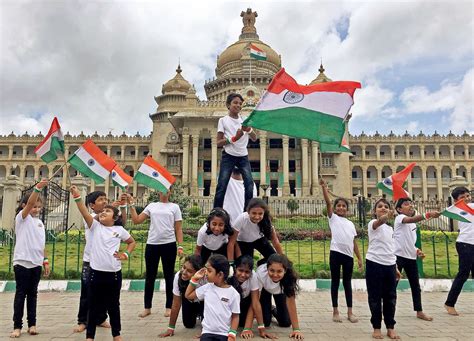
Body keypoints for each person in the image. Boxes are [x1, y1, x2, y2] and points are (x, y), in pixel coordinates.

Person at [70, 185, 136, 341]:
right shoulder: (95, 226)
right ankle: (89, 334)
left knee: (114, 305)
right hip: (95, 271)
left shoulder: (119, 230)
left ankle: (116, 334)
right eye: (102, 208)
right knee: (91, 301)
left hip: (114, 274)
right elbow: (83, 211)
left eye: (107, 211)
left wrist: (125, 254)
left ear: (114, 218)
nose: (103, 211)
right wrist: (78, 196)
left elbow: (131, 242)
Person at [128, 190, 183, 318]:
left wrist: (180, 245)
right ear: (158, 191)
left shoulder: (174, 207)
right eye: (162, 189)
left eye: (167, 189)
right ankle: (147, 307)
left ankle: (169, 307)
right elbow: (136, 220)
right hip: (152, 244)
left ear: (170, 192)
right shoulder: (151, 206)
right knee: (150, 277)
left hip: (169, 244)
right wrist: (131, 205)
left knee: (169, 276)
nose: (164, 191)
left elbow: (178, 228)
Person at [10, 179, 50, 338]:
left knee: (33, 295)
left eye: (39, 207)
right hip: (22, 262)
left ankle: (32, 324)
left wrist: (45, 261)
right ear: (24, 206)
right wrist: (38, 188)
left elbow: (42, 244)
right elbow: (29, 203)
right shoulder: (22, 218)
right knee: (21, 294)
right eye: (34, 206)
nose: (37, 209)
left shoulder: (40, 223)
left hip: (36, 263)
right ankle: (17, 326)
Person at [320, 179, 363, 323]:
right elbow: (327, 202)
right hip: (335, 254)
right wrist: (324, 188)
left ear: (347, 209)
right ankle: (335, 311)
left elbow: (353, 242)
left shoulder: (350, 224)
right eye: (338, 205)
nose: (341, 208)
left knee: (347, 283)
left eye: (344, 206)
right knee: (335, 282)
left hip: (348, 256)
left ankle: (350, 312)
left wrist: (359, 257)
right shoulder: (333, 219)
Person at [394, 197, 440, 321]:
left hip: (410, 258)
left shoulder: (413, 225)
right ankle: (387, 310)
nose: (410, 205)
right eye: (406, 204)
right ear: (399, 209)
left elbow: (408, 240)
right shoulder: (400, 219)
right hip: (398, 257)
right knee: (393, 284)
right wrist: (428, 214)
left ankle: (419, 311)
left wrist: (416, 250)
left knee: (415, 285)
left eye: (410, 203)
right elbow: (411, 219)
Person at [213, 93, 257, 211]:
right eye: (235, 103)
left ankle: (246, 212)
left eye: (240, 104)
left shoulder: (244, 120)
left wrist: (249, 129)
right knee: (222, 185)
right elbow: (218, 143)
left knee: (249, 185)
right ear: (228, 105)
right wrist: (234, 138)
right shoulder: (223, 120)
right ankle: (216, 212)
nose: (238, 105)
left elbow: (254, 138)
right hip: (229, 156)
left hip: (243, 156)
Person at [366, 199, 401, 340]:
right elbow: (379, 222)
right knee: (375, 297)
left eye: (386, 207)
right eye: (380, 206)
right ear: (375, 211)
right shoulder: (373, 224)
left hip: (390, 265)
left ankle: (390, 327)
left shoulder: (390, 229)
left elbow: (390, 248)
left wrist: (396, 267)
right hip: (374, 263)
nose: (383, 208)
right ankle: (376, 327)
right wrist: (388, 214)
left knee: (391, 297)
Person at [185, 254, 240, 341]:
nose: (206, 273)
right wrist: (194, 279)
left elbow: (235, 316)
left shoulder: (233, 294)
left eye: (209, 271)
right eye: (206, 270)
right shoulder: (207, 287)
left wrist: (232, 335)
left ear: (220, 274)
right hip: (207, 332)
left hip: (224, 333)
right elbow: (188, 295)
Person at [227, 255, 276, 340]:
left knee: (263, 321)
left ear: (251, 272)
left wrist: (254, 328)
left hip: (246, 301)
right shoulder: (228, 276)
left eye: (247, 272)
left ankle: (272, 309)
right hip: (229, 303)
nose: (243, 275)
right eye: (240, 270)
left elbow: (255, 302)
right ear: (235, 268)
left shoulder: (254, 276)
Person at [256, 254, 304, 340]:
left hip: (280, 292)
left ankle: (272, 309)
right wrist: (259, 328)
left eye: (279, 271)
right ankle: (267, 309)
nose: (275, 274)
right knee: (266, 322)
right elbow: (255, 300)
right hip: (264, 290)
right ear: (267, 269)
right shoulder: (260, 273)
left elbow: (291, 304)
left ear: (285, 271)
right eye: (272, 270)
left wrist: (296, 329)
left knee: (285, 322)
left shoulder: (289, 278)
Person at [159, 255, 205, 338]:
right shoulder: (178, 277)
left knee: (206, 325)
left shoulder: (205, 279)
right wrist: (170, 328)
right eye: (184, 267)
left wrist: (207, 331)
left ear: (198, 272)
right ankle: (197, 314)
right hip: (189, 300)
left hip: (205, 302)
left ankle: (201, 315)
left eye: (189, 271)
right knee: (188, 324)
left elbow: (213, 303)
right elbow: (176, 304)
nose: (184, 272)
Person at [444, 186, 474, 316]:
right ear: (456, 201)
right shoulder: (461, 208)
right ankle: (449, 303)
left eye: (468, 196)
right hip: (465, 244)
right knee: (463, 274)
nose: (467, 199)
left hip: (471, 243)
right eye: (463, 197)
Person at [227, 198, 283, 265]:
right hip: (243, 242)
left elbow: (275, 241)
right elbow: (231, 242)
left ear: (264, 213)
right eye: (254, 213)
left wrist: (282, 259)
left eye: (260, 214)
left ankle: (260, 264)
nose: (257, 217)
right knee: (247, 264)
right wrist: (230, 262)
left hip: (259, 240)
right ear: (248, 212)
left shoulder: (266, 220)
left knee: (274, 259)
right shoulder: (242, 219)